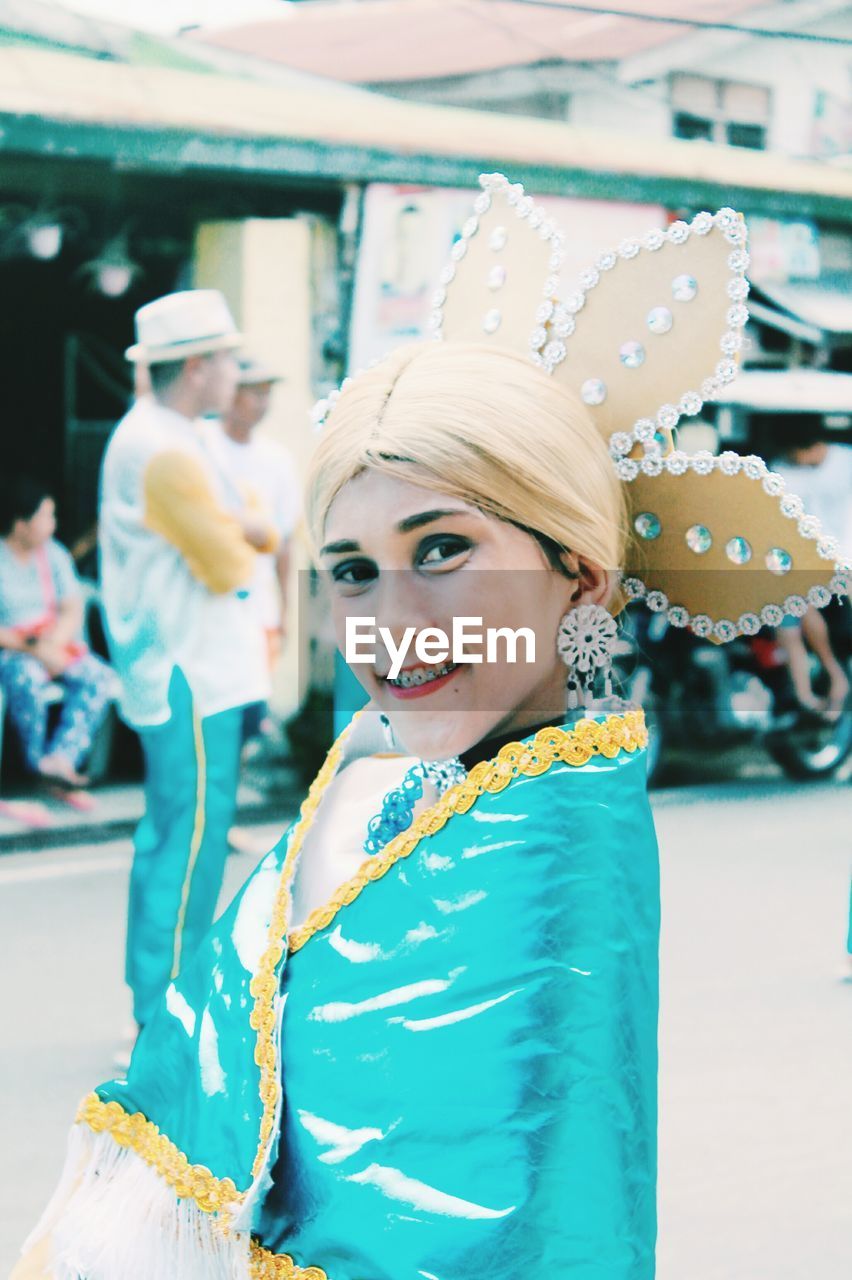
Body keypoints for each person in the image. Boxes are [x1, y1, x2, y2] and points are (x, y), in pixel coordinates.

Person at [15, 176, 847, 1280]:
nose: (391, 626)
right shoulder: (376, 770)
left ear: (581, 575)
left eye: (444, 551)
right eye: (353, 571)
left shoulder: (551, 846)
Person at [98, 289, 277, 1039]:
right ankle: (164, 1016)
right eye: (231, 358)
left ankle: (161, 1003)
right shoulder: (167, 448)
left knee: (178, 836)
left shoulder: (175, 435)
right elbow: (233, 560)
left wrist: (240, 524)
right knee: (190, 841)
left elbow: (257, 531)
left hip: (192, 668)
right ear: (199, 366)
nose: (239, 372)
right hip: (191, 670)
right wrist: (239, 523)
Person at [0, 475, 113, 791]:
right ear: (21, 523)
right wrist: (35, 648)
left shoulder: (55, 555)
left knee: (97, 676)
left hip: (54, 645)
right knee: (27, 679)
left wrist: (55, 644)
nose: (52, 523)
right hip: (15, 651)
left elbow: (72, 608)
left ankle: (61, 759)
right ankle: (35, 764)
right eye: (45, 515)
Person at [206, 355, 300, 723]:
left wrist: (285, 608)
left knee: (253, 703)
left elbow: (285, 541)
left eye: (267, 394)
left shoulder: (276, 459)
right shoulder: (204, 446)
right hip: (213, 598)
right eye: (254, 393)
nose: (262, 403)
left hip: (259, 599)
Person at [771, 416, 852, 721]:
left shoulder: (845, 461)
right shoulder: (782, 468)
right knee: (791, 614)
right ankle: (808, 693)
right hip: (800, 563)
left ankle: (834, 678)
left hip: (844, 556)